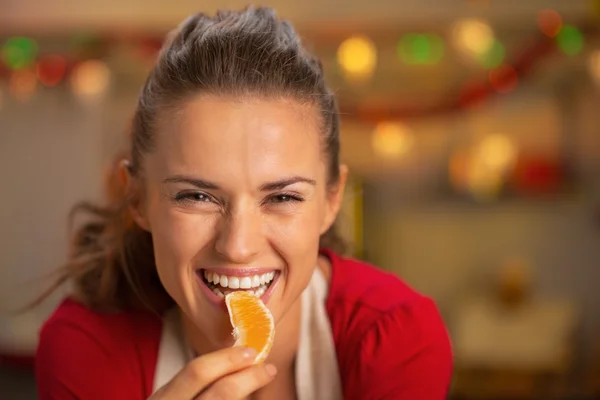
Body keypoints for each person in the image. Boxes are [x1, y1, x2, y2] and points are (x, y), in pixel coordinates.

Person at [34, 7, 453, 400]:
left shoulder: (396, 338)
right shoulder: (85, 348)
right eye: (196, 196)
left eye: (283, 197)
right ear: (137, 198)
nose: (237, 246)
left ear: (331, 200)